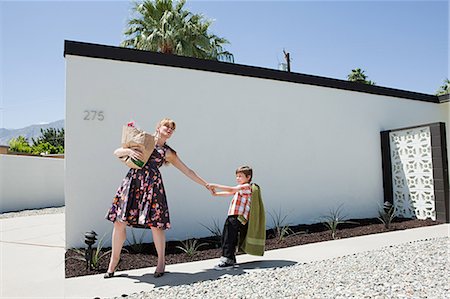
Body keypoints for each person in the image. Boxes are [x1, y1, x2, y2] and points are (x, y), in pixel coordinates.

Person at [105, 118, 211, 278]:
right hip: (132, 184)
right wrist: (128, 151)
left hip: (152, 187)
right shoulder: (143, 139)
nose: (169, 129)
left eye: (172, 128)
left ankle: (161, 262)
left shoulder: (168, 152)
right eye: (166, 126)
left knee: (156, 225)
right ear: (158, 127)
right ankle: (113, 262)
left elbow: (188, 171)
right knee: (119, 222)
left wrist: (206, 184)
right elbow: (117, 152)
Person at [208, 165, 265, 270]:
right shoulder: (241, 189)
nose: (237, 178)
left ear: (248, 177)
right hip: (234, 216)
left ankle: (227, 259)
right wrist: (216, 194)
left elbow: (231, 189)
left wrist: (214, 185)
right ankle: (230, 258)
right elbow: (230, 192)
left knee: (229, 237)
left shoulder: (246, 187)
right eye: (237, 176)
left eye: (240, 176)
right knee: (228, 236)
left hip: (237, 217)